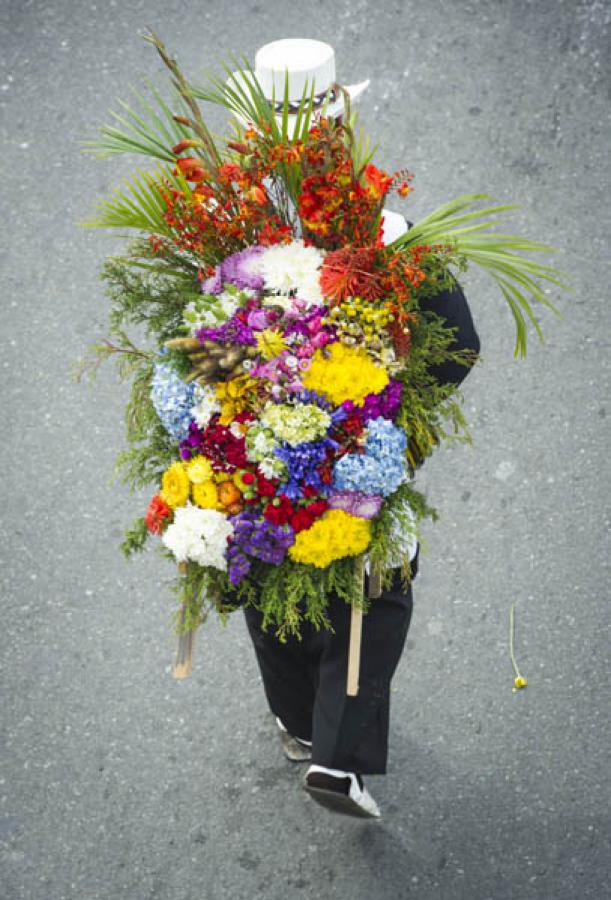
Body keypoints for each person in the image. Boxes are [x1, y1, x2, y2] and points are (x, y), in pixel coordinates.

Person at [228, 38, 481, 818]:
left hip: (255, 451)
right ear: (337, 130)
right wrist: (389, 422)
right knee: (377, 588)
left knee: (266, 566)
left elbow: (192, 342)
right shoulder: (385, 233)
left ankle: (297, 724)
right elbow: (455, 342)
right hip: (355, 454)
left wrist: (247, 413)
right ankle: (338, 756)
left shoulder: (224, 237)